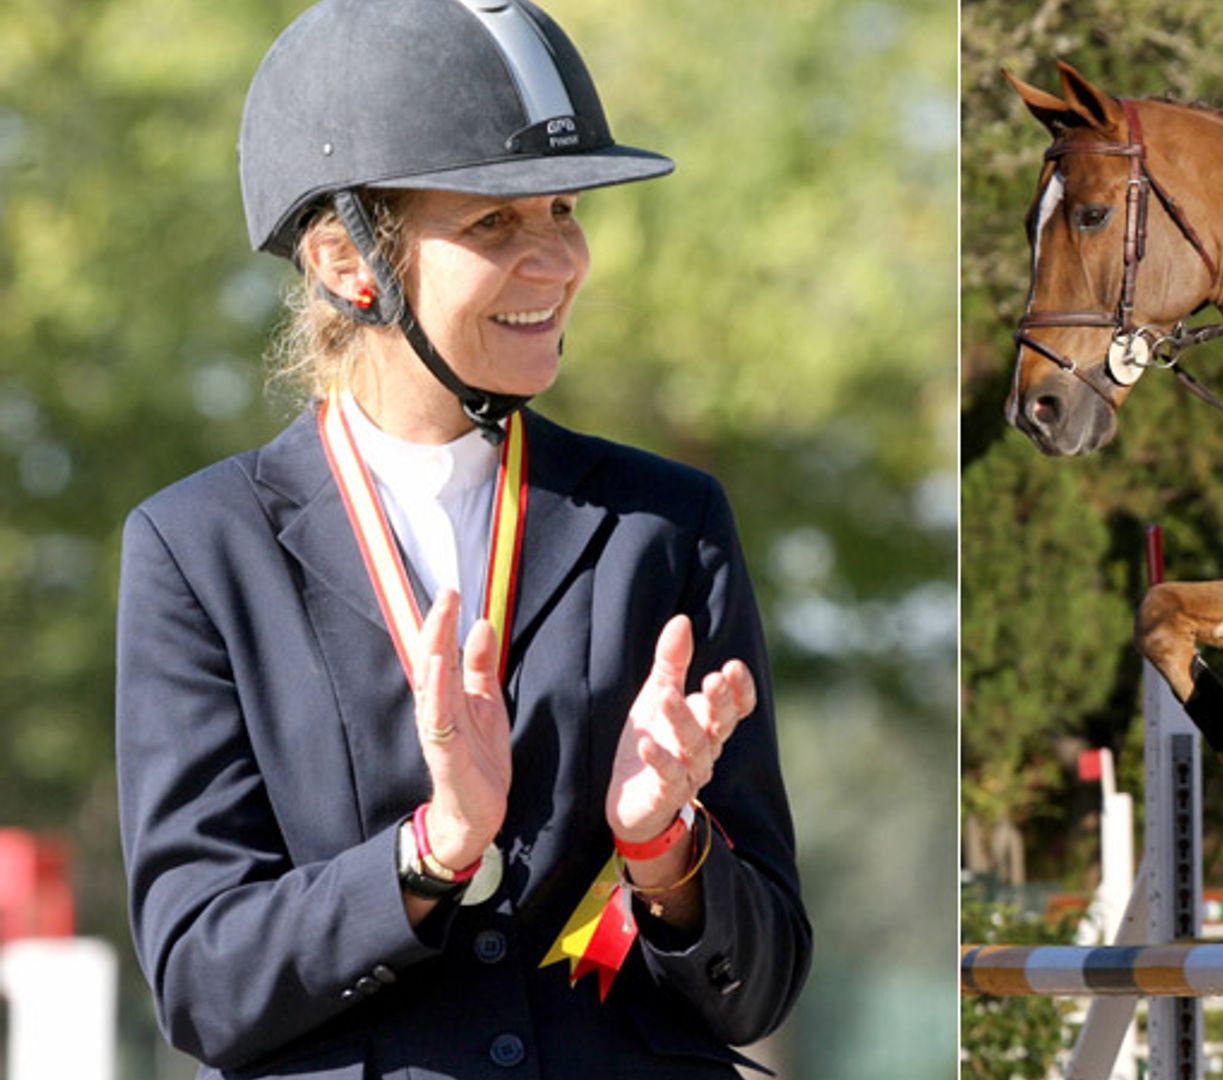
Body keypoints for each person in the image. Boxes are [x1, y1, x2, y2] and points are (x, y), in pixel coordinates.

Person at [114, 1, 809, 1075]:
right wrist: (427, 854)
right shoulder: (196, 550)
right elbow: (204, 982)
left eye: (564, 211)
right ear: (349, 257)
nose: (557, 262)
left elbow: (760, 984)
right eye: (494, 225)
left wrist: (664, 848)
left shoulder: (667, 528)